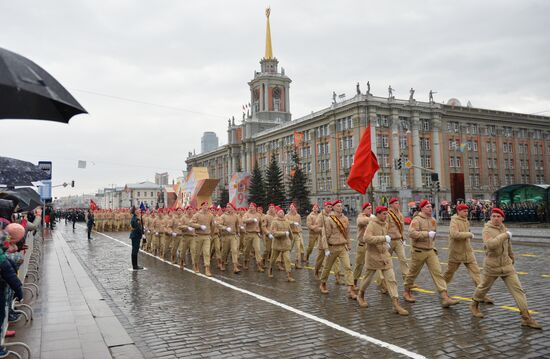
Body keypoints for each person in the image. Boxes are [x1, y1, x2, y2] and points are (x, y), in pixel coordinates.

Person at [469, 208, 542, 329]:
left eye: (498, 216)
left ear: (502, 218)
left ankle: (526, 317)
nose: (496, 218)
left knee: (518, 290)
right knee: (483, 287)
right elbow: (491, 245)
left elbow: (508, 245)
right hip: (492, 266)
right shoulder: (487, 229)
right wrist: (504, 235)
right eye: (493, 216)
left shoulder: (504, 228)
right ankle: (474, 304)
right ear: (490, 217)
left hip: (507, 265)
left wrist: (512, 257)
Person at [403, 200, 459, 308]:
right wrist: (426, 234)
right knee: (413, 273)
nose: (430, 208)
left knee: (437, 273)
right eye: (427, 206)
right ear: (422, 208)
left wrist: (432, 241)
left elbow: (434, 234)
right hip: (419, 251)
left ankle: (445, 297)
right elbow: (411, 233)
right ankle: (406, 291)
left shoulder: (433, 220)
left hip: (430, 251)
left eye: (431, 206)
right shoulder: (417, 220)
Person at [357, 206, 409, 316]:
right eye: (384, 214)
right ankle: (360, 295)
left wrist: (386, 242)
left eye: (387, 214)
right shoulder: (371, 224)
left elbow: (386, 237)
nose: (386, 216)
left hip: (385, 255)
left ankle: (396, 304)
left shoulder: (385, 224)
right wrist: (383, 238)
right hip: (373, 256)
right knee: (367, 279)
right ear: (378, 214)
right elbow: (366, 238)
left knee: (392, 280)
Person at [444, 204, 493, 303]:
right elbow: (454, 234)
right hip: (456, 252)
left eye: (467, 211)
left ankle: (482, 295)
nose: (466, 213)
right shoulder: (454, 221)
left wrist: (468, 234)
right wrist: (469, 234)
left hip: (468, 251)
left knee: (476, 273)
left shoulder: (466, 220)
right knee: (449, 273)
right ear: (458, 211)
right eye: (464, 211)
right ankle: (442, 290)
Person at [318, 200, 357, 299]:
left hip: (342, 247)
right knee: (327, 267)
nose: (340, 207)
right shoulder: (329, 219)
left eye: (341, 206)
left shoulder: (345, 219)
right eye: (338, 206)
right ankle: (322, 283)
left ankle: (350, 289)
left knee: (348, 267)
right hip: (332, 247)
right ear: (334, 208)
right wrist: (326, 249)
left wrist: (349, 245)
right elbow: (325, 235)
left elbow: (347, 233)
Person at [268, 206, 296, 282]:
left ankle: (289, 275)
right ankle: (270, 268)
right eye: (280, 212)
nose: (282, 213)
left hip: (285, 244)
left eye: (283, 212)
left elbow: (289, 231)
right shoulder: (274, 221)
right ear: (277, 213)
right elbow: (274, 233)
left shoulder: (286, 221)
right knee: (273, 259)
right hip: (277, 244)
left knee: (287, 260)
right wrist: (283, 233)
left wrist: (291, 239)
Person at [353, 202, 375, 289]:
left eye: (371, 208)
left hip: (371, 245)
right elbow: (361, 222)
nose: (370, 210)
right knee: (359, 264)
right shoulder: (360, 217)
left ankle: (383, 284)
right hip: (362, 245)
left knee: (377, 265)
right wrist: (373, 219)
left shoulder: (372, 217)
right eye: (368, 208)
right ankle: (354, 282)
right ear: (364, 210)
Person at [189, 202, 215, 276]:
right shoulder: (197, 214)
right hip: (198, 236)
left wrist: (211, 234)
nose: (206, 207)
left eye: (207, 205)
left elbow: (213, 225)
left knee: (207, 253)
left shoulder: (211, 215)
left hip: (207, 236)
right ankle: (196, 264)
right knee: (197, 253)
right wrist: (199, 226)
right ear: (202, 206)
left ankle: (207, 268)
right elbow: (190, 223)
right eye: (204, 205)